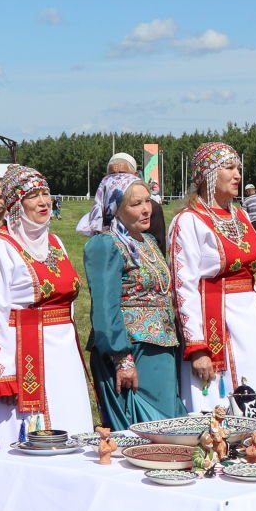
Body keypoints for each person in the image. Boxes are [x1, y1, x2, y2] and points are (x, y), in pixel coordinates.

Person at [172, 142, 256, 415]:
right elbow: (183, 286)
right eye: (229, 168)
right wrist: (197, 347)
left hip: (250, 319)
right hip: (216, 323)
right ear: (207, 175)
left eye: (238, 167)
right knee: (219, 401)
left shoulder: (241, 215)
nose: (238, 174)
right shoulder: (189, 221)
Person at [0, 165, 91, 442]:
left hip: (63, 353)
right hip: (24, 353)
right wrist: (1, 374)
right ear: (15, 203)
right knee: (29, 431)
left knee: (71, 418)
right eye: (33, 195)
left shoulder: (56, 242)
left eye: (45, 193)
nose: (43, 201)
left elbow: (68, 304)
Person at [83, 172, 183, 427]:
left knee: (169, 424)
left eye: (147, 201)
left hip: (161, 350)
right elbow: (105, 307)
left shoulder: (147, 240)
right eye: (135, 204)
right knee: (146, 429)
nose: (146, 209)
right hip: (132, 352)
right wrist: (122, 358)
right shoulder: (105, 245)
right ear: (115, 209)